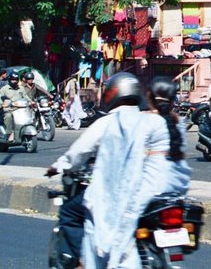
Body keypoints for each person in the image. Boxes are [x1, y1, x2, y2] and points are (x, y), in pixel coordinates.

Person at [46, 72, 174, 268]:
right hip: (153, 193)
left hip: (115, 195)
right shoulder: (152, 122)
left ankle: (81, 261)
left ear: (112, 94)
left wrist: (58, 166)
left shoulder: (106, 122)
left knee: (70, 213)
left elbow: (79, 152)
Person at [143, 76, 191, 196]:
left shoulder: (145, 120)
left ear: (149, 96)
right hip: (181, 184)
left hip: (152, 187)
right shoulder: (178, 121)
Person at [0, 71, 29, 136]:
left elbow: (26, 97)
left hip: (19, 109)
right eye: (13, 80)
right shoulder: (4, 89)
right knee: (8, 116)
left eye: (16, 80)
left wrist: (31, 102)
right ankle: (9, 134)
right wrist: (2, 105)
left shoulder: (21, 88)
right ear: (9, 80)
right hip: (8, 110)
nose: (14, 81)